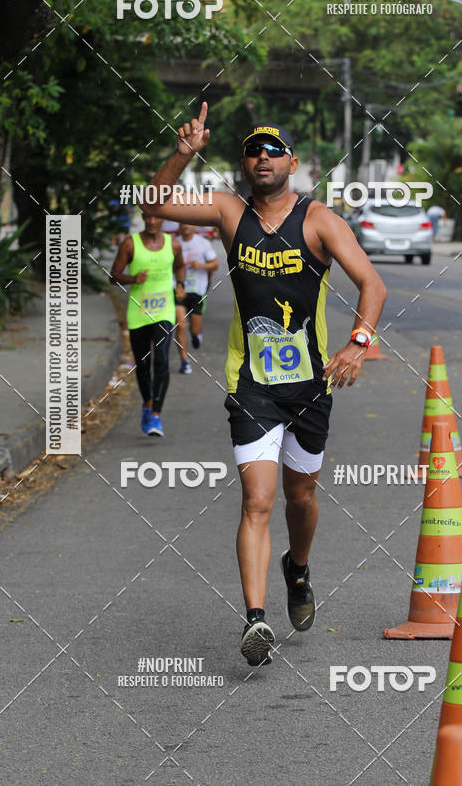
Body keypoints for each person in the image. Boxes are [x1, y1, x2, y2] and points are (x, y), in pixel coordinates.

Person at [139, 103, 387, 665]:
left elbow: (372, 284)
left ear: (293, 163)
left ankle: (297, 569)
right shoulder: (229, 212)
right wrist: (182, 153)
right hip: (250, 384)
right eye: (254, 150)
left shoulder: (319, 219)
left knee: (301, 496)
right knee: (258, 499)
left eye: (274, 150)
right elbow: (153, 205)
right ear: (244, 163)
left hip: (310, 386)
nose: (263, 157)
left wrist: (359, 343)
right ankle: (256, 621)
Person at [110, 212, 185, 437]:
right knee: (143, 364)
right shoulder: (130, 244)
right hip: (139, 312)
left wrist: (180, 283)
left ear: (162, 219)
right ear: (143, 217)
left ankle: (156, 416)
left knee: (161, 358)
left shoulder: (173, 244)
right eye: (148, 218)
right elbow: (113, 276)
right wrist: (133, 279)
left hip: (164, 311)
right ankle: (148, 403)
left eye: (156, 218)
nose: (152, 222)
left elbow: (180, 266)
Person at [174, 223, 219, 374]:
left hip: (197, 290)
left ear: (195, 226)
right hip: (178, 289)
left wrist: (200, 265)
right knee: (180, 325)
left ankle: (196, 334)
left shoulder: (203, 243)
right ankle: (184, 361)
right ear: (179, 227)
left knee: (194, 328)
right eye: (182, 224)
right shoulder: (173, 243)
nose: (186, 227)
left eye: (189, 224)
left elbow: (215, 265)